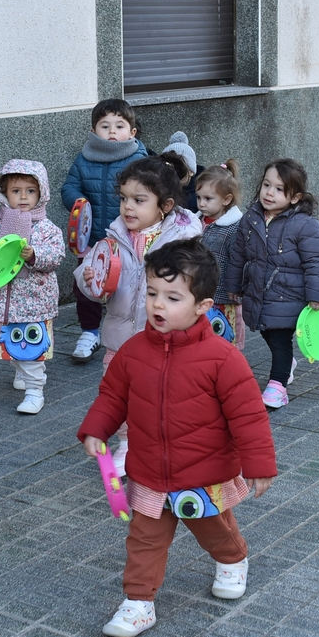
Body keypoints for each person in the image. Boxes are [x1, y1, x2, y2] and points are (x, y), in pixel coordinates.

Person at [78, 238, 277, 637]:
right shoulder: (134, 351)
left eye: (172, 297)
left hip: (203, 473)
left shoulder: (222, 357)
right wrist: (96, 429)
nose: (157, 305)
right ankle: (138, 602)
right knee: (144, 540)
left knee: (211, 526)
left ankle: (233, 558)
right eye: (151, 293)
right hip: (150, 470)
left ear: (202, 306)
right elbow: (113, 396)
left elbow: (248, 415)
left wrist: (259, 465)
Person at [74, 154, 203, 475]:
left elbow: (194, 290)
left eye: (139, 200)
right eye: (123, 199)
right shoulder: (113, 238)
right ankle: (127, 446)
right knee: (120, 397)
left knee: (162, 400)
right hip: (120, 340)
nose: (128, 207)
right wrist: (90, 281)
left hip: (163, 341)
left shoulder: (181, 243)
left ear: (165, 205)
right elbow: (96, 281)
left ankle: (168, 448)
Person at [223, 159, 319, 409]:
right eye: (267, 185)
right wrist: (233, 285)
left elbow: (315, 262)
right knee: (268, 331)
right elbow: (238, 254)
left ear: (295, 197)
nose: (270, 192)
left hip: (289, 296)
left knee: (280, 340)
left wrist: (316, 296)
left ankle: (278, 386)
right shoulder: (252, 218)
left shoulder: (304, 224)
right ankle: (286, 363)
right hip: (258, 292)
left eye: (279, 189)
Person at [0, 159, 66, 414]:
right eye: (16, 191)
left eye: (30, 191)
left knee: (30, 346)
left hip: (33, 302)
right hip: (3, 301)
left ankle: (35, 390)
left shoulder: (46, 228)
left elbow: (56, 256)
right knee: (10, 343)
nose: (23, 197)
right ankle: (21, 373)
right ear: (3, 193)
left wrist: (34, 255)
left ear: (41, 193)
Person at [62, 98, 148, 362]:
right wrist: (79, 203)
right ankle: (90, 332)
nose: (112, 132)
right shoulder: (84, 158)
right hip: (92, 238)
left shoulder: (139, 159)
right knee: (85, 283)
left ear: (132, 132)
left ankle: (131, 332)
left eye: (119, 126)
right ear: (93, 131)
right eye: (105, 126)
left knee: (125, 287)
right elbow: (69, 187)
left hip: (126, 239)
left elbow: (147, 193)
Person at [196, 160, 246, 349]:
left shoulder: (235, 227)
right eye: (199, 197)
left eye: (208, 199)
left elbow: (239, 262)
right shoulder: (195, 223)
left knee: (225, 340)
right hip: (198, 295)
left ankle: (230, 374)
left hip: (225, 299)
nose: (201, 203)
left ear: (226, 200)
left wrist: (236, 289)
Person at [162, 130, 203, 213]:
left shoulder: (198, 195)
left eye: (179, 167)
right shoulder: (158, 188)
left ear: (191, 172)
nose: (174, 172)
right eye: (169, 166)